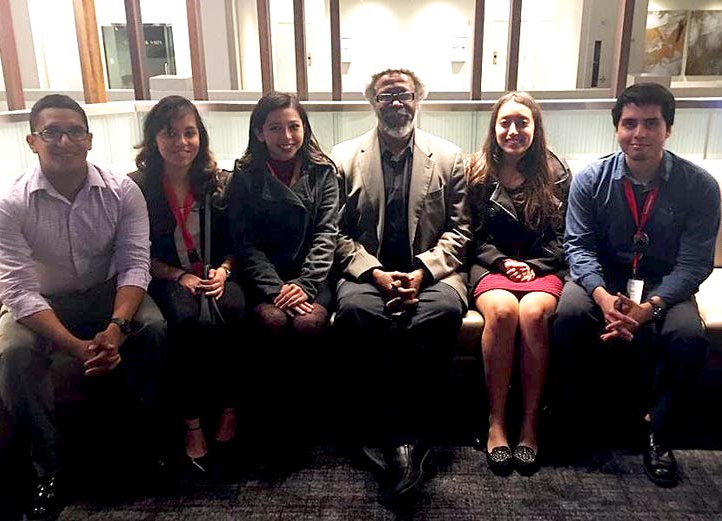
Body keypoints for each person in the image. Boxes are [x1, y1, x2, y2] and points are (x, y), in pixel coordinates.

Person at [0, 94, 167, 520]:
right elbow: (18, 291)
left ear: (89, 140)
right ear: (33, 140)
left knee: (156, 330)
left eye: (74, 132)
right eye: (52, 132)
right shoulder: (10, 205)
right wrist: (77, 346)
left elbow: (134, 264)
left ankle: (148, 445)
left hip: (107, 292)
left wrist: (117, 327)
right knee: (14, 355)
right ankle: (49, 470)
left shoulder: (122, 192)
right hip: (41, 303)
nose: (64, 141)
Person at [550, 83, 721, 487]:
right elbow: (578, 246)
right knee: (569, 315)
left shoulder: (700, 185)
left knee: (687, 335)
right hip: (604, 278)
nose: (639, 133)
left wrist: (652, 306)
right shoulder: (591, 179)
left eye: (650, 123)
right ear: (617, 129)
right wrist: (602, 296)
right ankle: (569, 417)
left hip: (665, 281)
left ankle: (658, 430)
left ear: (669, 129)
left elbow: (696, 261)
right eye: (629, 123)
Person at [332, 68, 471, 498]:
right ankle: (384, 432)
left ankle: (417, 434)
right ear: (372, 101)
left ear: (418, 99)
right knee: (357, 313)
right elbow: (334, 233)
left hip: (431, 274)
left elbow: (461, 231)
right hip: (367, 273)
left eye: (405, 94)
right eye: (386, 94)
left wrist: (422, 273)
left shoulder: (449, 157)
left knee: (441, 312)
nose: (397, 102)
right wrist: (374, 272)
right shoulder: (343, 158)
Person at [129, 95, 246, 475]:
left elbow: (237, 243)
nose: (182, 142)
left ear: (201, 136)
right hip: (166, 275)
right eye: (170, 133)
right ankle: (192, 422)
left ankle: (229, 411)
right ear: (153, 139)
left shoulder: (217, 182)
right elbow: (133, 253)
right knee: (184, 319)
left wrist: (224, 271)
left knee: (233, 311)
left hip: (216, 273)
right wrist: (180, 276)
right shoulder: (137, 189)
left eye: (190, 132)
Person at [227, 92, 339, 455]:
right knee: (272, 321)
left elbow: (327, 233)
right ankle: (268, 418)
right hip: (264, 279)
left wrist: (305, 284)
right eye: (275, 128)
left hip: (313, 276)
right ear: (259, 132)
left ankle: (307, 419)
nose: (286, 136)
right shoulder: (244, 175)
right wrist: (277, 288)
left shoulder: (324, 171)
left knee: (308, 325)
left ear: (305, 128)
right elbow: (245, 243)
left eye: (294, 126)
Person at [466, 92, 570, 476]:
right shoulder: (476, 171)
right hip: (490, 264)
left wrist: (534, 266)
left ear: (535, 128)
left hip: (543, 268)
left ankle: (529, 423)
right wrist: (502, 262)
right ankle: (496, 422)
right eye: (505, 122)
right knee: (505, 310)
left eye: (522, 122)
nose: (513, 131)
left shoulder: (556, 171)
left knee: (534, 312)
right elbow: (469, 233)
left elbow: (564, 236)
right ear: (494, 128)